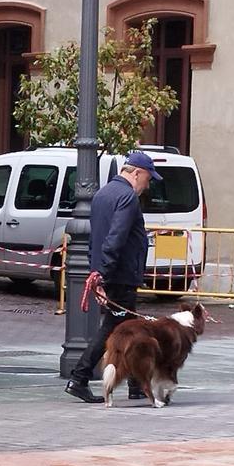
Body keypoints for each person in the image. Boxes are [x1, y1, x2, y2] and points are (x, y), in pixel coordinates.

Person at [64, 151, 161, 403]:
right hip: (121, 275)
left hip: (110, 273)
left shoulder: (102, 194)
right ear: (136, 173)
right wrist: (104, 272)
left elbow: (95, 238)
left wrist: (97, 270)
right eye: (148, 179)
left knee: (127, 331)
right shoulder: (127, 198)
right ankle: (80, 376)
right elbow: (115, 238)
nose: (146, 186)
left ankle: (135, 384)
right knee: (116, 329)